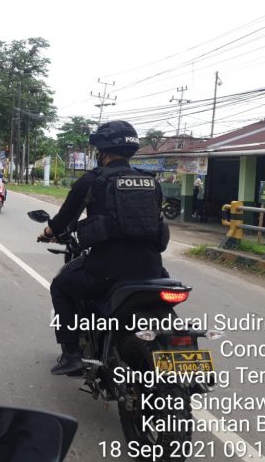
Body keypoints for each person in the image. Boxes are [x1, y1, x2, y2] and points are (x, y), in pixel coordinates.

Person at [38, 121, 168, 375]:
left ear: (103, 150)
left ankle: (72, 354)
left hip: (106, 270)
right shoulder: (151, 182)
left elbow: (64, 219)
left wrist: (48, 232)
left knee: (61, 287)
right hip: (153, 270)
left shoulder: (93, 180)